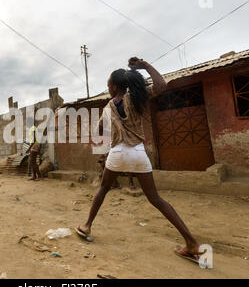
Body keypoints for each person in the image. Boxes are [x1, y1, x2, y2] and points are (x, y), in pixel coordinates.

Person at [76, 58, 202, 262]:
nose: (107, 88)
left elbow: (98, 129)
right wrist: (145, 65)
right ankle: (191, 242)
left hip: (117, 154)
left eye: (108, 85)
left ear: (114, 86)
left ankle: (87, 225)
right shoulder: (137, 97)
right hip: (138, 153)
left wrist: (111, 127)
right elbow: (161, 85)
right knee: (155, 199)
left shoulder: (109, 106)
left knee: (103, 188)